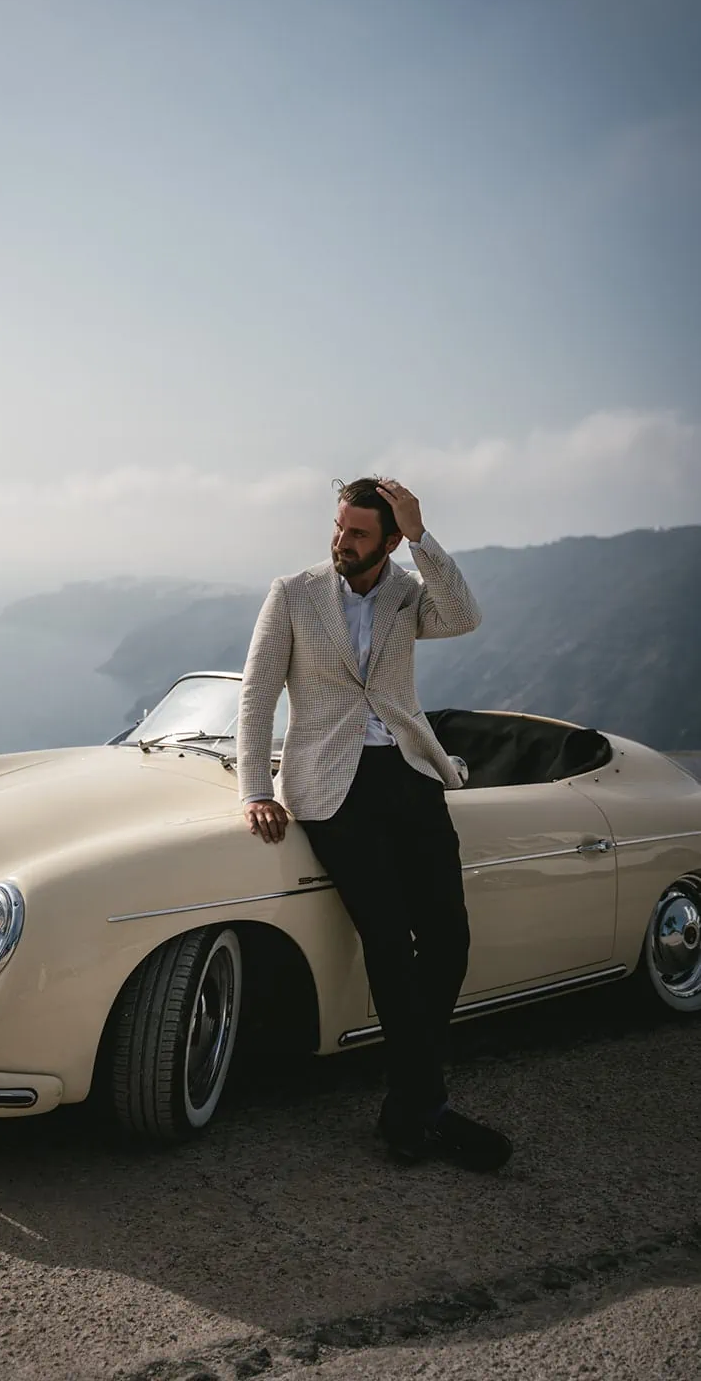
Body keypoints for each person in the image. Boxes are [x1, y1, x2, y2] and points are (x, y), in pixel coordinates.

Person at [237, 476, 512, 1171]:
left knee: (448, 939)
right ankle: (423, 1110)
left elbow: (465, 616)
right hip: (331, 788)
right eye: (339, 527)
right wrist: (255, 790)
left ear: (388, 542)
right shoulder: (292, 593)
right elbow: (257, 695)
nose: (341, 540)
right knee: (388, 943)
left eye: (358, 533)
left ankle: (410, 1105)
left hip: (409, 774)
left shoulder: (406, 593)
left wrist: (422, 535)